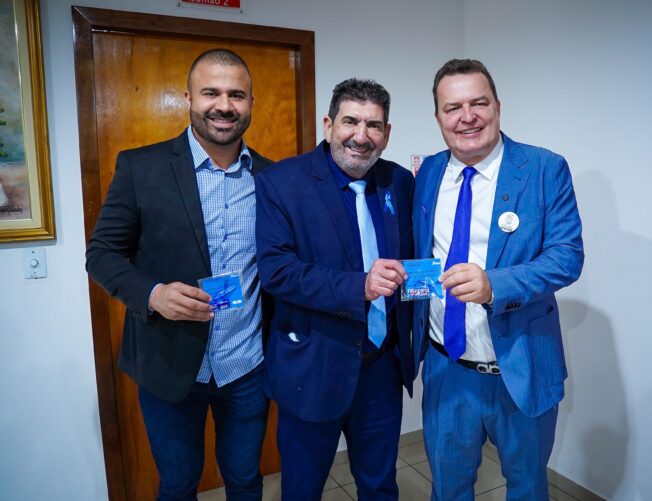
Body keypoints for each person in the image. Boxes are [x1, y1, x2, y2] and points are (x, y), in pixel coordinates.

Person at [86, 49, 271, 501]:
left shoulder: (272, 177)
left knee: (246, 480)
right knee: (178, 485)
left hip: (246, 365)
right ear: (188, 97)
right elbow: (102, 254)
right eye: (211, 92)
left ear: (250, 103)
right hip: (169, 364)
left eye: (236, 95)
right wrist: (152, 294)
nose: (224, 105)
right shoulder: (141, 167)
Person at [412, 59, 584, 500]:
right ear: (438, 117)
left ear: (498, 106)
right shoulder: (427, 172)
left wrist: (495, 285)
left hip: (521, 366)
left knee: (527, 488)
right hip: (447, 367)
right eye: (453, 108)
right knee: (448, 489)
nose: (467, 116)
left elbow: (567, 257)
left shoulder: (544, 168)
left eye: (479, 103)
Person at [255, 78, 415, 501]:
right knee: (302, 490)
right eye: (350, 121)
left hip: (382, 368)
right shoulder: (281, 182)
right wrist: (360, 286)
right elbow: (277, 272)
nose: (361, 136)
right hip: (313, 367)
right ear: (328, 125)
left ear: (387, 133)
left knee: (380, 487)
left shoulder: (399, 181)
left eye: (374, 125)